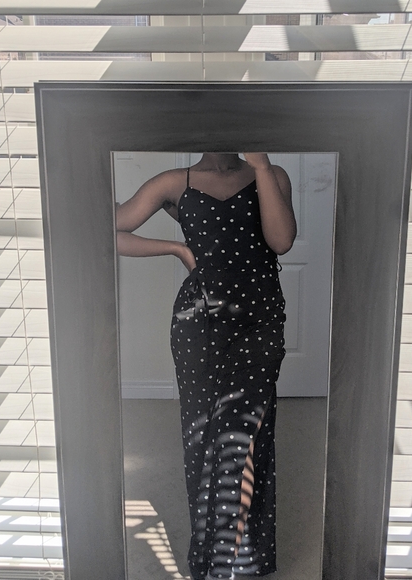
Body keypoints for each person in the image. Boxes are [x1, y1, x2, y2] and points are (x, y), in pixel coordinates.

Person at [116, 153, 296, 580]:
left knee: (246, 438)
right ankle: (216, 559)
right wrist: (176, 248)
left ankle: (239, 560)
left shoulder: (271, 174)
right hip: (199, 322)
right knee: (203, 439)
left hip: (259, 321)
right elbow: (106, 229)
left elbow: (281, 242)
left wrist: (261, 167)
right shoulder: (173, 182)